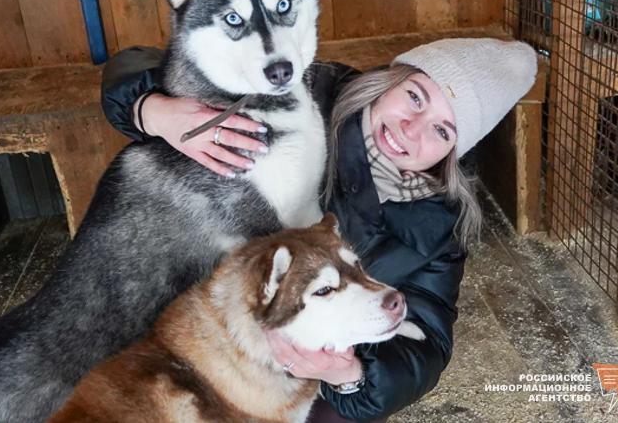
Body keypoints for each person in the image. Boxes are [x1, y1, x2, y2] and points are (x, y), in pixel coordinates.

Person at [101, 38, 537, 422]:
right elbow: (134, 61)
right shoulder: (304, 94)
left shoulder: (435, 224)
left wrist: (349, 375)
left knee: (345, 413)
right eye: (415, 97)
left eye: (442, 130)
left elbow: (427, 343)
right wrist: (152, 111)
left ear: (451, 152)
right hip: (195, 323)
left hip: (304, 360)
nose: (411, 129)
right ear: (392, 79)